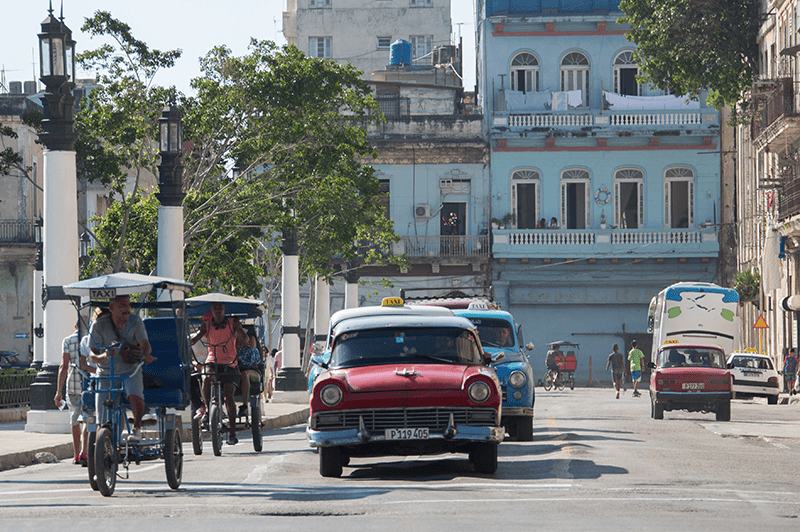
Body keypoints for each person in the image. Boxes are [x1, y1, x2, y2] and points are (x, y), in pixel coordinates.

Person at [89, 295, 153, 443]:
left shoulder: (135, 321)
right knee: (101, 414)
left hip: (130, 370)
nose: (127, 309)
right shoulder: (98, 325)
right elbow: (92, 355)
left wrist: (146, 354)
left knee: (134, 394)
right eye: (122, 305)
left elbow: (145, 345)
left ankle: (136, 427)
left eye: (128, 305)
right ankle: (102, 437)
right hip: (105, 372)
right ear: (111, 308)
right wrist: (104, 356)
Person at [191, 302, 247, 445]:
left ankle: (232, 433)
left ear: (224, 310)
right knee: (206, 377)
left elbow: (244, 340)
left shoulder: (232, 323)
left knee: (229, 395)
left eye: (220, 308)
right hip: (212, 361)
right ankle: (209, 410)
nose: (217, 311)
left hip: (229, 362)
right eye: (215, 308)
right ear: (211, 310)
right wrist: (186, 342)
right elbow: (195, 338)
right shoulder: (207, 325)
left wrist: (238, 330)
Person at [55, 321, 95, 466]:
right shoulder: (93, 339)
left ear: (75, 327)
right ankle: (85, 450)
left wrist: (58, 391)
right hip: (90, 383)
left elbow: (63, 366)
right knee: (87, 418)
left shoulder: (67, 340)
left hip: (72, 385)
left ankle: (76, 454)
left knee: (74, 419)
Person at [237, 323, 262, 418]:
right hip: (234, 371)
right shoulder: (230, 347)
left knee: (244, 374)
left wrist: (237, 359)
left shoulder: (251, 346)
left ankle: (244, 405)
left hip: (252, 371)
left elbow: (249, 362)